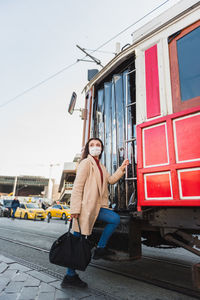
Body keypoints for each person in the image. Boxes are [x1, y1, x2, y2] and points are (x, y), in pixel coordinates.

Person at [61, 137, 129, 289]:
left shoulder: (101, 166)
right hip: (85, 209)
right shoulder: (86, 163)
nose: (95, 147)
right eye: (92, 145)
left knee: (114, 219)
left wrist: (122, 168)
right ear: (87, 148)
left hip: (97, 207)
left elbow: (110, 180)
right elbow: (78, 187)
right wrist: (75, 210)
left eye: (98, 145)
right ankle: (70, 276)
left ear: (101, 148)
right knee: (76, 242)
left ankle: (100, 248)